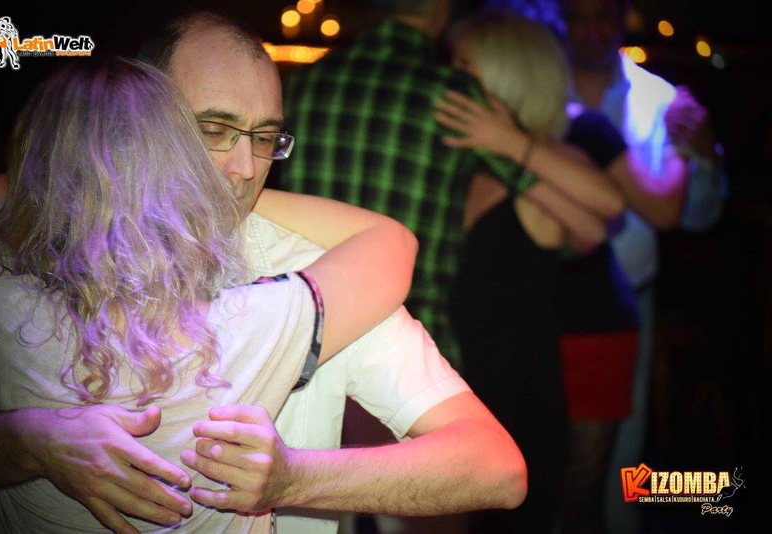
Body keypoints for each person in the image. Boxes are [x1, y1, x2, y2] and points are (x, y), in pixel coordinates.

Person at [0, 8, 528, 534]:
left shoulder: (317, 269)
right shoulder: (8, 254)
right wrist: (24, 442)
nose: (244, 168)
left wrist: (297, 477)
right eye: (215, 129)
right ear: (140, 124)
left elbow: (494, 465)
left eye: (265, 139)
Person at [435, 10, 628, 533]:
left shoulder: (543, 161)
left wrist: (509, 142)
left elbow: (606, 211)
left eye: (465, 66)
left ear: (509, 75)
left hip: (516, 410)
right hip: (451, 401)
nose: (448, 77)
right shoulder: (461, 160)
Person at [278, 0, 538, 373]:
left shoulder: (302, 83)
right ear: (441, 10)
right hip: (411, 341)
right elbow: (535, 183)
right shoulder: (454, 94)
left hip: (313, 335)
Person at [558, 1, 727, 532]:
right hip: (548, 300)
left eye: (603, 15)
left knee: (622, 457)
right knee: (548, 455)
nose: (592, 30)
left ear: (623, 17)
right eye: (579, 16)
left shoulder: (659, 99)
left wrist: (704, 156)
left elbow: (694, 215)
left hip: (629, 299)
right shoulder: (539, 88)